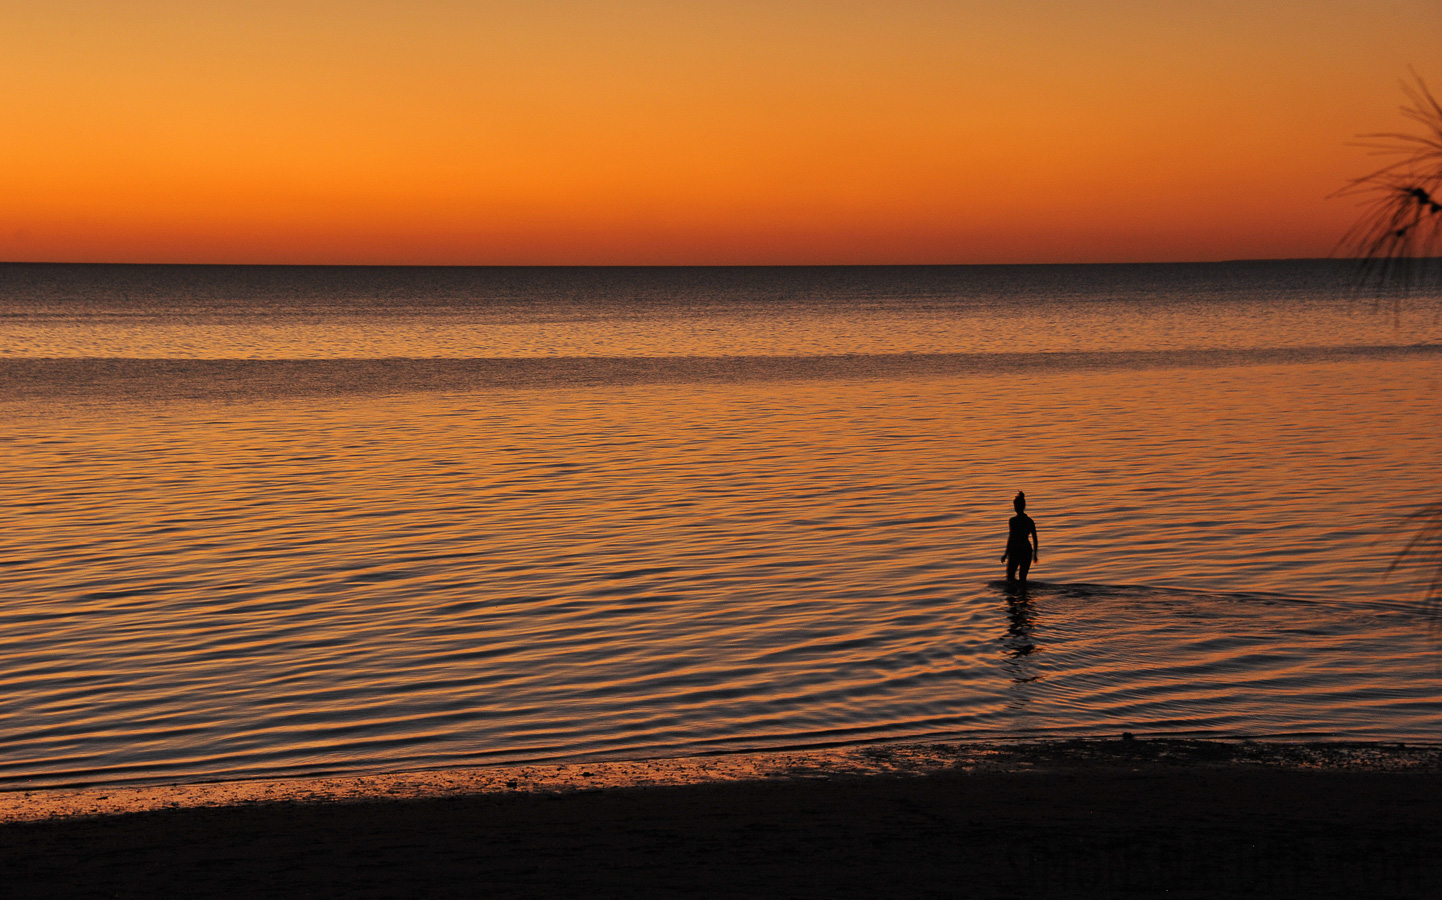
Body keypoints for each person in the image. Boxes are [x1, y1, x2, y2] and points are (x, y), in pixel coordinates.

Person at [1001, 491, 1038, 583]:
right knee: (1023, 579)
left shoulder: (1013, 521)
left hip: (1015, 550)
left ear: (1016, 507)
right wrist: (1035, 554)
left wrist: (1006, 553)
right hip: (1026, 550)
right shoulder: (1030, 521)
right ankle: (1023, 595)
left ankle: (1012, 595)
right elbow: (1035, 539)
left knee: (1010, 577)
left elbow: (1011, 538)